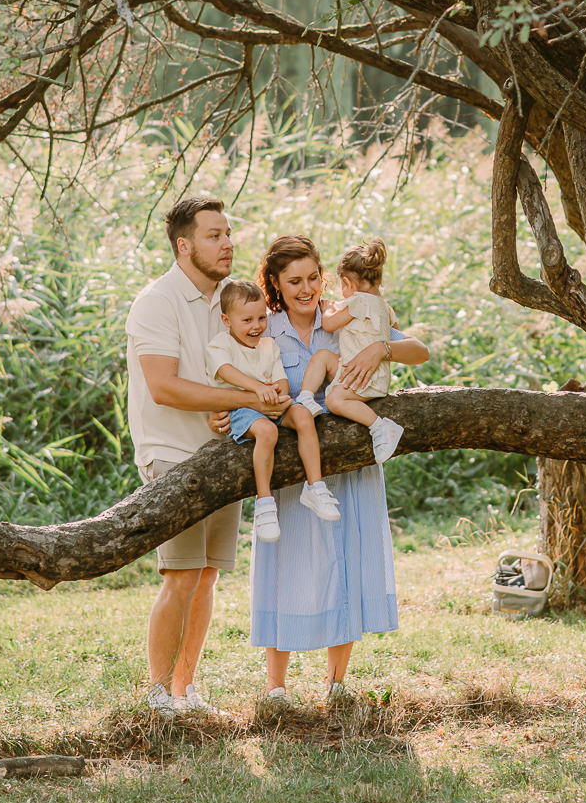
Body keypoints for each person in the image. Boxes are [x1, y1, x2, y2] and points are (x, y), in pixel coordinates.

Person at [209, 235, 428, 705]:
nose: (306, 288)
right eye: (294, 281)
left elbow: (419, 350)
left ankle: (337, 683)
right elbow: (232, 377)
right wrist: (223, 412)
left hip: (348, 469)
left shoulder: (348, 314)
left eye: (313, 277)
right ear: (275, 284)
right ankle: (276, 688)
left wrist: (380, 349)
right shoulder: (263, 327)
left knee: (344, 562)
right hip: (291, 472)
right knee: (284, 566)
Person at [126, 196, 291, 718]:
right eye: (214, 235)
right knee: (180, 574)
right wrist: (246, 399)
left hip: (223, 452)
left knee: (207, 576)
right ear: (184, 244)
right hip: (171, 455)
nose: (227, 244)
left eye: (228, 234)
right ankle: (158, 696)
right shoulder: (157, 302)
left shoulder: (229, 298)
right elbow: (163, 386)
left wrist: (233, 408)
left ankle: (185, 691)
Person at [206, 279, 340, 542]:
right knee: (267, 432)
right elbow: (225, 370)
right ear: (227, 320)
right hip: (242, 409)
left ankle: (315, 486)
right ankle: (265, 502)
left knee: (303, 414)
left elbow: (281, 380)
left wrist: (279, 395)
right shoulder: (221, 344)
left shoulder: (269, 345)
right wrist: (257, 388)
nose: (256, 326)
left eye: (260, 318)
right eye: (247, 320)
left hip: (272, 403)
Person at [298, 236, 405, 464]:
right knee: (324, 356)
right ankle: (306, 397)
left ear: (347, 283)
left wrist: (327, 309)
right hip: (372, 375)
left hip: (364, 378)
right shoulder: (385, 307)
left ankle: (380, 426)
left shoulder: (357, 301)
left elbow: (329, 324)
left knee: (334, 401)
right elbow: (398, 338)